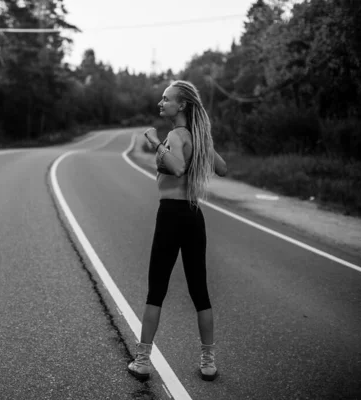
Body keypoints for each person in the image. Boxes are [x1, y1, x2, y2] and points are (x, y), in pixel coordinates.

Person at [127, 80, 227, 382]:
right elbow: (222, 168)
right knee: (200, 290)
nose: (161, 103)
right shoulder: (197, 137)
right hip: (194, 215)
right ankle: (208, 361)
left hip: (171, 214)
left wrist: (155, 142)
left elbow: (179, 168)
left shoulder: (172, 135)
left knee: (157, 288)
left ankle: (143, 361)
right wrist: (205, 145)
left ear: (181, 105)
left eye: (166, 99)